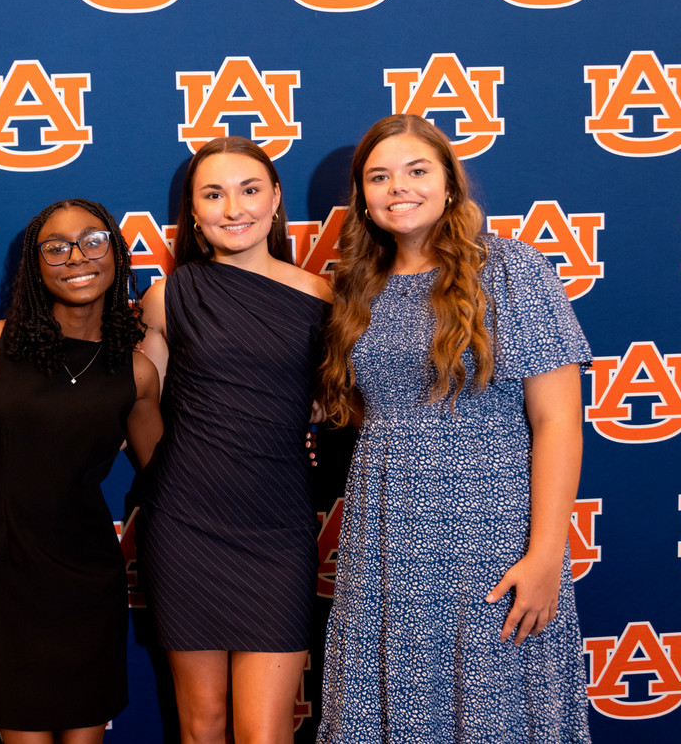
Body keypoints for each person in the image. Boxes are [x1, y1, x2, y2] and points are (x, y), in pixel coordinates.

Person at [314, 114, 591, 743]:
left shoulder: (513, 269)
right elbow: (371, 406)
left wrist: (546, 555)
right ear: (362, 195)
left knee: (499, 706)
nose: (398, 188)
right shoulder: (358, 286)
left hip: (491, 530)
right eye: (378, 177)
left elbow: (557, 421)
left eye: (416, 171)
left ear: (449, 183)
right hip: (384, 534)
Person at [136, 136, 333, 744]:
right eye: (213, 194)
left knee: (264, 730)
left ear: (275, 199)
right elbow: (143, 400)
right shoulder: (169, 296)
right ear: (193, 213)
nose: (233, 207)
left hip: (278, 526)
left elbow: (338, 405)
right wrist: (167, 470)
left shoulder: (322, 298)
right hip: (185, 523)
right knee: (202, 724)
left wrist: (311, 443)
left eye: (250, 190)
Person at [0, 198, 162, 744]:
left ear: (117, 255)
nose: (76, 257)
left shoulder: (137, 373)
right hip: (4, 575)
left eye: (93, 241)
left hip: (87, 578)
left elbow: (165, 476)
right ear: (34, 263)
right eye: (56, 247)